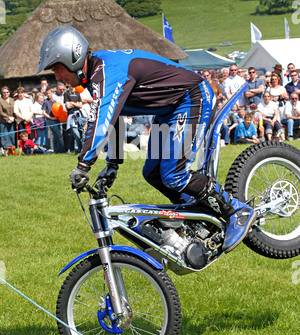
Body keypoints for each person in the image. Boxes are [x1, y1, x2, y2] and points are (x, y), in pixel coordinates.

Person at [36, 25, 257, 254]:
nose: (57, 76)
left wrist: (84, 164)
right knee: (152, 173)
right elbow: (115, 117)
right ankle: (200, 212)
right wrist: (113, 164)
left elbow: (101, 122)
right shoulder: (97, 74)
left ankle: (236, 210)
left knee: (174, 174)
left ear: (74, 57)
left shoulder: (106, 71)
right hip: (168, 111)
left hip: (191, 98)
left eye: (58, 69)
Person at [42, 88, 65, 153]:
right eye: (47, 94)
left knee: (55, 136)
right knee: (59, 135)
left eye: (49, 93)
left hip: (57, 120)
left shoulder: (55, 101)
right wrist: (51, 118)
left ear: (52, 93)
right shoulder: (45, 102)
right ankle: (62, 150)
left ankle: (56, 150)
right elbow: (44, 112)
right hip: (51, 121)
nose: (48, 95)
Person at [64, 86, 84, 154]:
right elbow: (68, 106)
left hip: (79, 115)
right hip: (71, 115)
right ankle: (78, 149)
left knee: (78, 133)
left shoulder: (78, 93)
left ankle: (77, 150)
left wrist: (72, 103)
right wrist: (76, 104)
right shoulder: (66, 94)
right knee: (75, 132)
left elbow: (80, 105)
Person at [0, 86, 15, 156]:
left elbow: (15, 109)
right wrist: (8, 118)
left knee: (12, 135)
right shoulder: (0, 100)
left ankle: (11, 151)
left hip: (12, 121)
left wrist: (13, 118)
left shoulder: (12, 100)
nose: (5, 94)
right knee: (5, 136)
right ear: (2, 93)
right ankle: (5, 151)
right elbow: (1, 112)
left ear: (9, 92)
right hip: (3, 121)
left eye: (7, 92)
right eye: (4, 92)